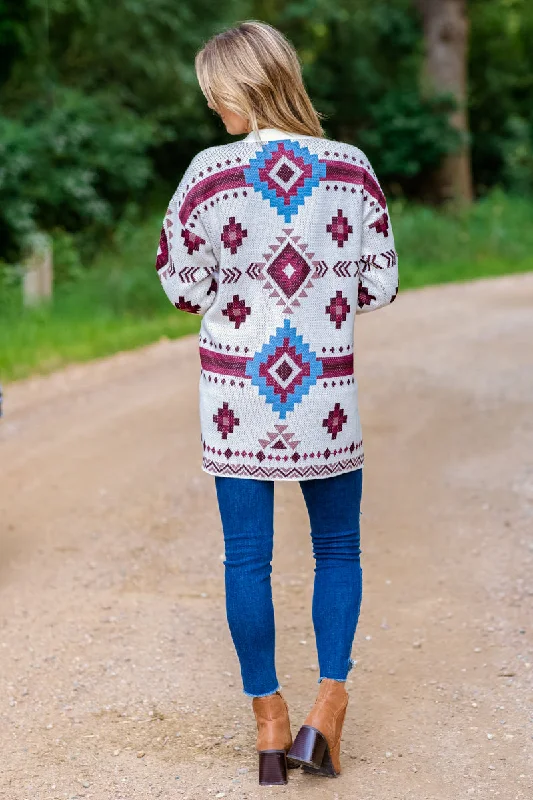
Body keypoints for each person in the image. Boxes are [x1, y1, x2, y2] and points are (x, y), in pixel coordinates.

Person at [156, 20, 398, 786]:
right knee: (338, 550)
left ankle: (267, 726)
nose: (211, 108)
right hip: (324, 395)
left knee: (246, 561)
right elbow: (378, 283)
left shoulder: (208, 174)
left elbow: (179, 285)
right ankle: (325, 715)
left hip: (239, 397)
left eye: (214, 93)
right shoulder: (351, 170)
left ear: (240, 85)